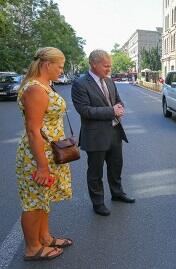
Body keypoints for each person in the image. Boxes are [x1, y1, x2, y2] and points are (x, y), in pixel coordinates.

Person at [16, 47, 73, 261]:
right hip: (37, 155)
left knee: (43, 198)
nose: (61, 69)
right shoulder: (35, 89)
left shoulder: (44, 86)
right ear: (46, 64)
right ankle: (32, 248)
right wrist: (41, 165)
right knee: (33, 201)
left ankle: (45, 238)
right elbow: (33, 130)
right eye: (59, 65)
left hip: (50, 151)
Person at [71, 49, 135, 217]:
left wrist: (120, 107)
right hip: (95, 135)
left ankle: (117, 193)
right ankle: (98, 203)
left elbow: (117, 100)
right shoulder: (80, 84)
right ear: (94, 64)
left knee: (116, 167)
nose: (109, 69)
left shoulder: (109, 81)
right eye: (106, 66)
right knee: (95, 172)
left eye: (110, 66)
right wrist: (112, 111)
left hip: (114, 132)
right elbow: (85, 111)